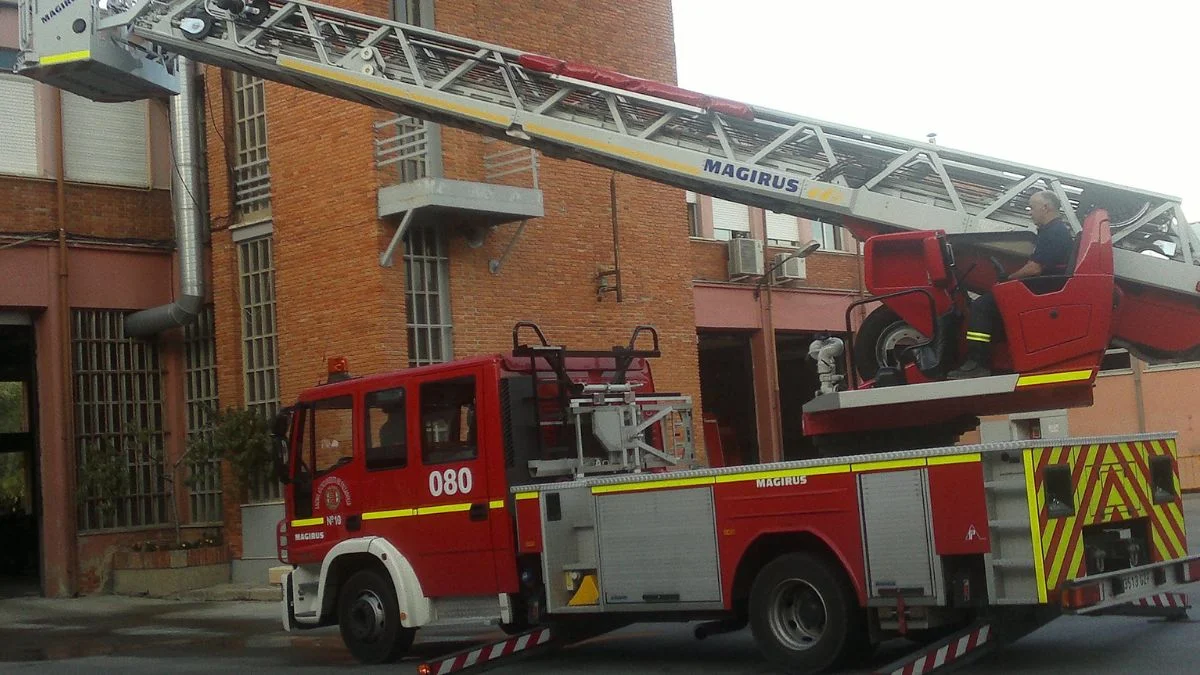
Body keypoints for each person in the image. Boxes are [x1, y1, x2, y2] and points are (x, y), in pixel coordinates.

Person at [946, 190, 1074, 379]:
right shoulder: (1052, 231)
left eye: (1033, 207)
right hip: (1044, 287)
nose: (1030, 212)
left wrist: (1008, 278)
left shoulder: (1054, 233)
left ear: (1046, 207)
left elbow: (1034, 269)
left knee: (981, 307)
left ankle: (977, 363)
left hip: (1041, 289)